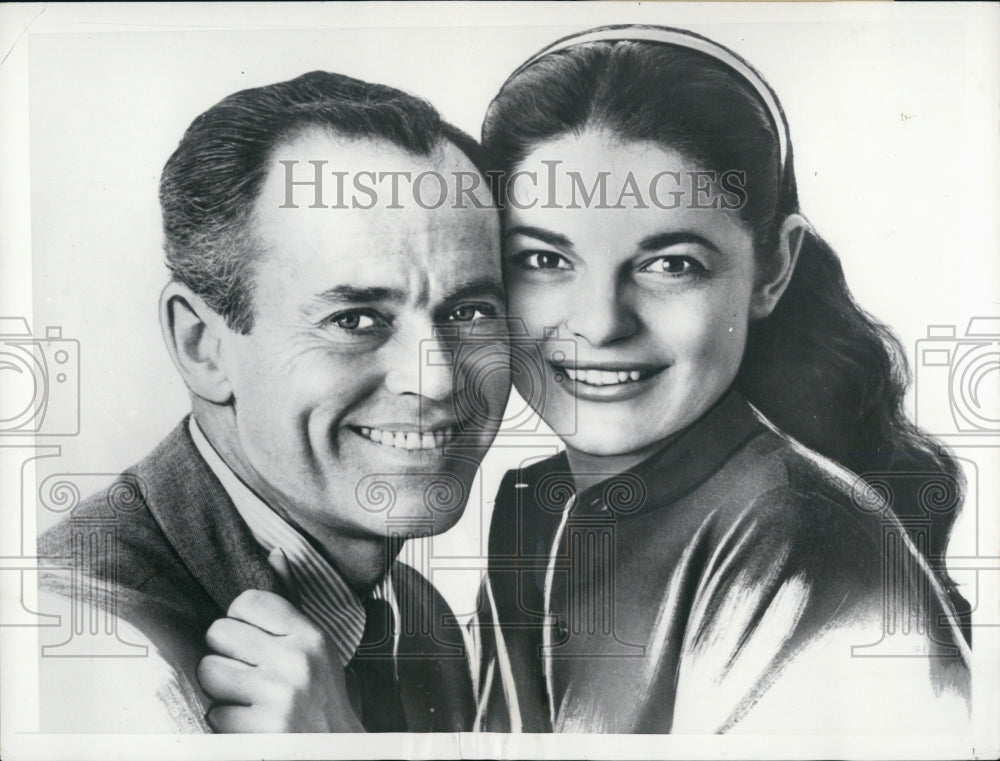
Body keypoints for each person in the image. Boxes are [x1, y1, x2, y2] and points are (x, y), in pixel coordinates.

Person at [475, 25, 971, 734]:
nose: (602, 323)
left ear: (772, 268)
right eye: (545, 261)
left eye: (671, 264)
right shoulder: (530, 510)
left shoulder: (808, 544)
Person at [37, 70, 509, 732]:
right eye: (356, 319)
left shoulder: (417, 619)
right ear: (203, 346)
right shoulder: (91, 645)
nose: (434, 379)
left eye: (470, 309)